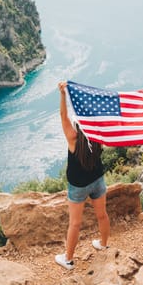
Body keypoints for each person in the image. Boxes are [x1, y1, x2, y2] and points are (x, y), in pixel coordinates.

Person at [55, 81, 110, 270]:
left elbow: (63, 116)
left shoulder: (73, 138)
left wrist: (63, 95)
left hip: (78, 186)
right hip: (98, 180)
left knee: (75, 223)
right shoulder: (98, 136)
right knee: (102, 215)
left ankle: (68, 259)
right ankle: (103, 245)